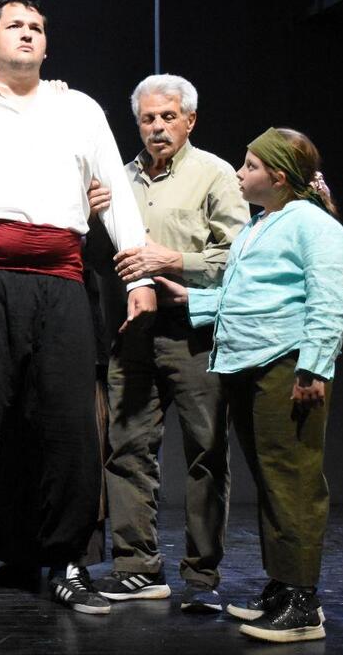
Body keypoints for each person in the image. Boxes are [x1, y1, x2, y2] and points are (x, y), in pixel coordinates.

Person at [0, 0, 156, 616]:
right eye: (15, 25)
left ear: (47, 45)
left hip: (60, 280)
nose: (28, 34)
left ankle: (69, 562)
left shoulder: (80, 110)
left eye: (37, 27)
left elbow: (116, 196)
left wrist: (139, 275)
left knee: (70, 426)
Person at [156, 128, 343, 644]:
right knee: (271, 479)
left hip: (287, 365)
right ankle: (283, 587)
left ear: (279, 177)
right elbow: (245, 296)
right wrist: (192, 300)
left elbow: (329, 301)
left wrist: (313, 368)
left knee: (293, 482)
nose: (240, 174)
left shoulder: (314, 225)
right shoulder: (260, 224)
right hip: (249, 364)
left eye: (250, 166)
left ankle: (302, 604)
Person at [91, 75, 249, 612]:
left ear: (190, 120)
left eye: (168, 117)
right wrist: (91, 214)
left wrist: (174, 260)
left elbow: (238, 257)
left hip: (195, 333)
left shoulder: (215, 174)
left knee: (207, 452)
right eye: (147, 118)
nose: (157, 127)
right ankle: (137, 568)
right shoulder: (119, 180)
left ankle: (202, 577)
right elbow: (99, 253)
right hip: (133, 333)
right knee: (127, 449)